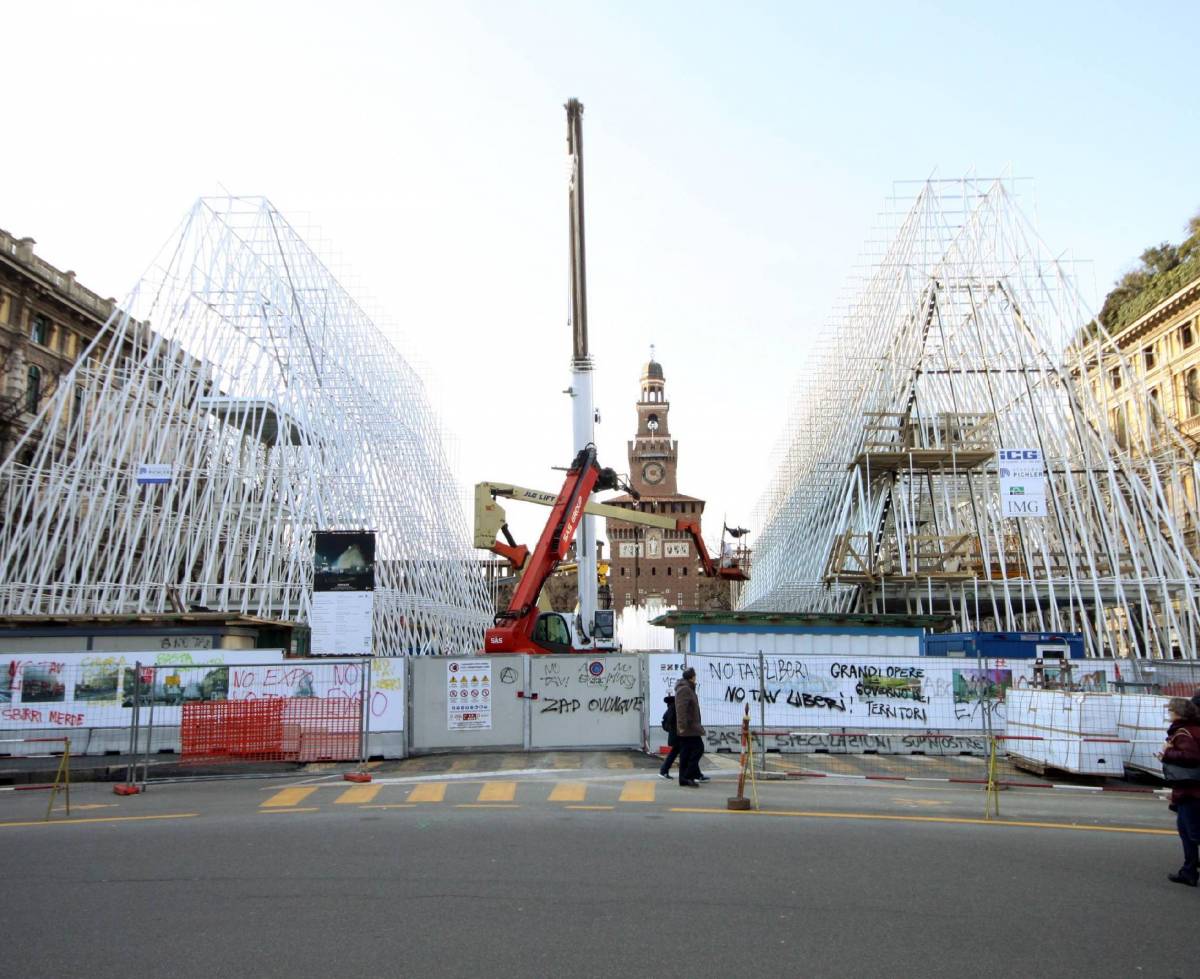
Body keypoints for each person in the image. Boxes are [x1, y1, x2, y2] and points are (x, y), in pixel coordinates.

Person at [1159, 697, 1200, 886]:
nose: (1169, 714)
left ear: (1177, 713)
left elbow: (1191, 757)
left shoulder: (1183, 733)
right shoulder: (1193, 728)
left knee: (1190, 833)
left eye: (1170, 710)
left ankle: (1189, 871)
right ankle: (1189, 870)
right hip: (1188, 790)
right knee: (1188, 832)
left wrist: (1167, 753)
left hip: (1190, 790)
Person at [674, 667, 709, 787]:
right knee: (698, 749)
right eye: (695, 676)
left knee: (686, 753)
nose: (696, 678)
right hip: (688, 728)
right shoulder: (685, 689)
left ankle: (685, 778)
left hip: (690, 727)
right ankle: (687, 776)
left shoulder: (688, 688)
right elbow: (681, 708)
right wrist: (682, 725)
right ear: (691, 677)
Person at [658, 694, 679, 780]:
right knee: (676, 753)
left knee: (674, 753)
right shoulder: (673, 708)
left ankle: (664, 771)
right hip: (677, 735)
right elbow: (669, 722)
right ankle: (664, 771)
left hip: (675, 735)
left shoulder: (670, 709)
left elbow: (664, 722)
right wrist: (672, 729)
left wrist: (670, 730)